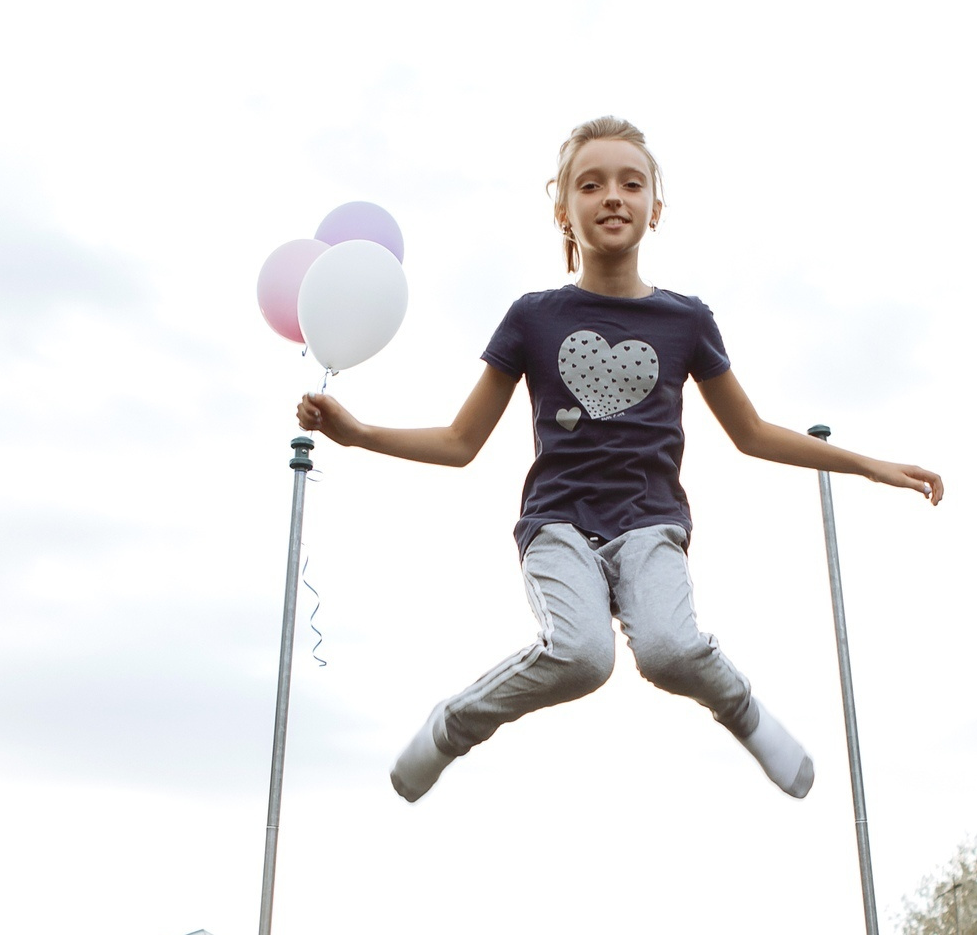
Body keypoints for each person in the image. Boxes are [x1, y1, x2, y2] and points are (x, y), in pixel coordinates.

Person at [297, 116, 943, 803]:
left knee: (669, 650)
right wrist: (359, 433)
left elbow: (752, 432)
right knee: (582, 656)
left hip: (650, 523)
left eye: (632, 184)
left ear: (655, 209)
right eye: (591, 184)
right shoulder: (532, 317)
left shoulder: (686, 321)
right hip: (558, 524)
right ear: (562, 211)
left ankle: (743, 711)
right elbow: (460, 442)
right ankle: (455, 724)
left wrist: (869, 464)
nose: (613, 195)